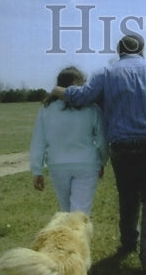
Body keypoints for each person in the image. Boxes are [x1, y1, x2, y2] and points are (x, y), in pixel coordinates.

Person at [52, 33, 146, 274]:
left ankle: (128, 243)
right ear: (143, 50)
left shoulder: (106, 74)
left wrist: (58, 90)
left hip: (122, 148)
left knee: (128, 196)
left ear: (119, 51)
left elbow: (81, 97)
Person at [30, 66, 109, 215]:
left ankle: (67, 238)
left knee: (67, 213)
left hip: (58, 166)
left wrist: (37, 170)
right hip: (87, 164)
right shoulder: (91, 108)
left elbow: (38, 141)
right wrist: (103, 161)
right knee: (80, 215)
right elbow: (102, 140)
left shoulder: (46, 109)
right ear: (76, 83)